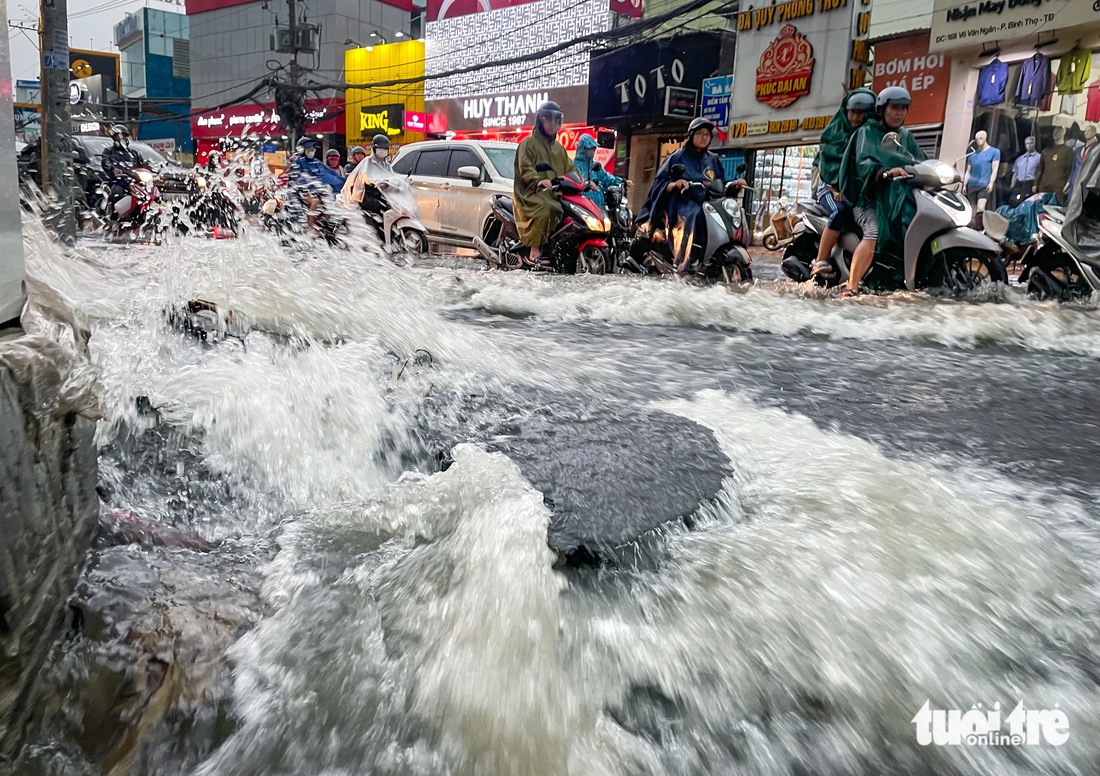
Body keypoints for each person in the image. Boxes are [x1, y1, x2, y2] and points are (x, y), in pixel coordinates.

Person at [838, 85, 927, 296]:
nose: (899, 113)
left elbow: (920, 159)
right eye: (894, 107)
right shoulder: (866, 133)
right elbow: (863, 163)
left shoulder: (905, 135)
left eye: (904, 108)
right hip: (868, 199)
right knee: (874, 231)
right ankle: (853, 285)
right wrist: (885, 172)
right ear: (882, 109)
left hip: (899, 199)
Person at [636, 116, 727, 274]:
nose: (704, 137)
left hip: (708, 203)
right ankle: (682, 265)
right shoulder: (677, 157)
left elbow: (722, 181)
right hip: (683, 203)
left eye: (707, 134)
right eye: (700, 133)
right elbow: (659, 183)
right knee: (692, 214)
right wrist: (674, 184)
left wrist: (736, 183)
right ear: (691, 135)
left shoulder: (713, 159)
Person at [809, 88, 876, 277]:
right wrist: (835, 188)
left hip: (857, 193)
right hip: (829, 188)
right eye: (853, 112)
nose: (856, 117)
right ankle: (820, 260)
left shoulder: (872, 136)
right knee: (840, 210)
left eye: (861, 113)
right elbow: (828, 167)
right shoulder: (835, 134)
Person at [514, 101, 576, 265]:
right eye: (550, 119)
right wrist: (539, 180)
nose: (554, 123)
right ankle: (535, 250)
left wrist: (584, 181)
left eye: (557, 119)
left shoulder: (560, 149)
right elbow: (525, 169)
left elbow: (571, 169)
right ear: (541, 119)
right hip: (531, 194)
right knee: (548, 207)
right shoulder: (528, 144)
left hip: (554, 193)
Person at [289, 137, 345, 221]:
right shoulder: (297, 162)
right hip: (301, 193)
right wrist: (312, 186)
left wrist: (345, 183)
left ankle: (328, 223)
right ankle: (311, 226)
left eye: (312, 149)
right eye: (309, 148)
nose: (312, 150)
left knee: (330, 201)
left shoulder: (316, 162)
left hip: (316, 191)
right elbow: (298, 180)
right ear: (302, 150)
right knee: (316, 201)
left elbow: (329, 174)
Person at [572, 133, 628, 213]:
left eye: (594, 149)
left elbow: (606, 178)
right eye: (590, 148)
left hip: (599, 206)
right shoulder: (574, 166)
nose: (593, 151)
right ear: (583, 148)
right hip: (582, 207)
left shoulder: (595, 165)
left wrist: (621, 181)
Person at [101, 124, 146, 212]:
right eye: (120, 136)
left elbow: (143, 165)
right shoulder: (109, 151)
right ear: (114, 138)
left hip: (136, 183)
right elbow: (105, 163)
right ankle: (114, 216)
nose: (123, 138)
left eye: (125, 136)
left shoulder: (134, 153)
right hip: (118, 182)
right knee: (117, 193)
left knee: (150, 193)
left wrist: (153, 169)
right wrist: (113, 170)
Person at [963, 130, 1000, 213]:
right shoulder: (972, 155)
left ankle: (979, 225)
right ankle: (972, 225)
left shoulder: (994, 152)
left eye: (981, 138)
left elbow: (995, 169)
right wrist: (964, 185)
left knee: (980, 208)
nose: (979, 141)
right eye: (977, 139)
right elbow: (968, 171)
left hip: (984, 184)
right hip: (972, 184)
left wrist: (991, 182)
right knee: (971, 209)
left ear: (985, 138)